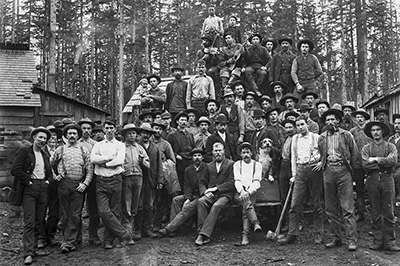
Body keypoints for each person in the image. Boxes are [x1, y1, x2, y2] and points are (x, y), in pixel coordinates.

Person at [314, 108, 358, 251]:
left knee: (347, 208)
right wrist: (323, 162)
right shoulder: (321, 137)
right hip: (328, 172)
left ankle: (352, 239)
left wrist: (350, 171)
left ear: (338, 120)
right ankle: (336, 238)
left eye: (333, 119)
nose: (330, 122)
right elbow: (322, 154)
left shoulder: (346, 135)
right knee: (331, 208)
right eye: (328, 120)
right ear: (325, 122)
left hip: (343, 172)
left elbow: (354, 154)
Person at [278, 115, 323, 245]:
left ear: (307, 124)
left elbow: (323, 152)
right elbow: (293, 158)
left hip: (314, 170)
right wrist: (293, 174)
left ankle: (318, 234)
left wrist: (321, 162)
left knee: (316, 203)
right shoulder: (295, 139)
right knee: (294, 204)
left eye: (302, 124)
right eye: (298, 125)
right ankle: (292, 234)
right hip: (300, 170)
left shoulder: (316, 137)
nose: (300, 127)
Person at [10, 127, 52, 265]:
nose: (42, 140)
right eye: (40, 137)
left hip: (42, 189)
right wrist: (28, 180)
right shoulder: (24, 152)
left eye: (45, 139)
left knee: (39, 220)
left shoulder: (45, 155)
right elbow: (15, 169)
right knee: (29, 221)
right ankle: (28, 253)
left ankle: (33, 249)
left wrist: (46, 181)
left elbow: (50, 173)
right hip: (29, 189)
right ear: (34, 137)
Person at [90, 119, 134, 249]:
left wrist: (103, 163)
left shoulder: (120, 145)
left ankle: (108, 240)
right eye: (107, 128)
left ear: (115, 129)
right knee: (103, 212)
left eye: (112, 128)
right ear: (104, 129)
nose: (109, 130)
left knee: (115, 211)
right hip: (101, 181)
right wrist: (108, 159)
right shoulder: (97, 145)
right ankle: (124, 234)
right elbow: (93, 159)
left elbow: (119, 161)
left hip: (116, 180)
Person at [50, 124, 93, 253]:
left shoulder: (83, 150)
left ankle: (68, 242)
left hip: (78, 185)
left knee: (75, 214)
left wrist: (85, 183)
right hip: (63, 185)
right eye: (70, 133)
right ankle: (73, 239)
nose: (72, 136)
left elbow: (90, 169)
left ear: (78, 135)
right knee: (65, 214)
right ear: (66, 135)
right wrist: (55, 175)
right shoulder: (60, 150)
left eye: (75, 133)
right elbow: (50, 164)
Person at [362, 121, 400, 252]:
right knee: (375, 211)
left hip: (387, 178)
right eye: (373, 130)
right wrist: (384, 162)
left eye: (378, 130)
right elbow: (365, 164)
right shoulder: (366, 148)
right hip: (372, 179)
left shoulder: (391, 146)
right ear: (370, 133)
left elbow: (393, 160)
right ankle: (377, 240)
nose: (376, 132)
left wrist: (376, 160)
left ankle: (390, 241)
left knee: (389, 211)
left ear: (383, 131)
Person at [159, 148, 207, 237]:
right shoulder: (188, 170)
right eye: (195, 156)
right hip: (192, 194)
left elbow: (205, 183)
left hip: (202, 195)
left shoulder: (207, 168)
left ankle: (168, 229)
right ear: (192, 158)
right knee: (176, 200)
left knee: (188, 208)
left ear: (203, 157)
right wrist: (187, 198)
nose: (197, 158)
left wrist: (200, 195)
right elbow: (187, 185)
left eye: (199, 156)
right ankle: (174, 229)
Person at [195, 142, 235, 246]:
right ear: (212, 152)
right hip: (211, 195)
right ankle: (202, 231)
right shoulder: (209, 166)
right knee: (201, 201)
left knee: (216, 206)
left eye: (220, 150)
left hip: (225, 195)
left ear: (224, 151)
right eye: (215, 151)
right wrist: (205, 192)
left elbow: (232, 183)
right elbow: (202, 182)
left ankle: (203, 235)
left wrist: (215, 189)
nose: (218, 153)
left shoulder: (231, 164)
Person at [120, 124, 150, 241]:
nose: (132, 135)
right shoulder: (121, 147)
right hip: (126, 177)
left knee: (136, 205)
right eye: (129, 133)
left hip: (138, 177)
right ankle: (127, 234)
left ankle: (135, 230)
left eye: (133, 133)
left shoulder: (140, 148)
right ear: (125, 135)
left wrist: (143, 161)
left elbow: (148, 165)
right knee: (126, 205)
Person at [136, 123, 164, 238]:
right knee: (139, 205)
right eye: (143, 133)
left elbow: (159, 166)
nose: (145, 135)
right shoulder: (136, 147)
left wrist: (160, 180)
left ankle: (147, 229)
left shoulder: (155, 149)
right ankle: (137, 230)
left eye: (148, 133)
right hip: (138, 181)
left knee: (149, 206)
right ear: (140, 134)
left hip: (151, 181)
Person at [151, 119, 178, 230]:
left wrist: (162, 165)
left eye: (160, 129)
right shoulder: (147, 142)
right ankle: (145, 226)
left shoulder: (166, 144)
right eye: (156, 128)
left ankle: (157, 225)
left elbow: (172, 160)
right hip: (148, 174)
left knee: (160, 200)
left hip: (160, 175)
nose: (158, 131)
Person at [233, 142, 262, 246]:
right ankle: (255, 223)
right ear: (241, 154)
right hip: (239, 192)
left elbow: (257, 181)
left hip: (252, 192)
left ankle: (245, 236)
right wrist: (242, 191)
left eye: (248, 152)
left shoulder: (257, 165)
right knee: (247, 203)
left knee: (246, 205)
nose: (246, 154)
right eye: (243, 152)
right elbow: (237, 180)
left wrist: (248, 192)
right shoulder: (237, 164)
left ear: (251, 153)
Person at [349, 109, 371, 222]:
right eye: (358, 117)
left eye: (362, 117)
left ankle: (374, 213)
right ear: (355, 119)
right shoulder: (352, 132)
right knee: (359, 188)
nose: (360, 119)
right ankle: (360, 212)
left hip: (370, 163)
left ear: (365, 118)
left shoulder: (371, 130)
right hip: (357, 164)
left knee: (372, 187)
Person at [167, 112, 195, 190]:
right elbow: (168, 150)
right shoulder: (172, 135)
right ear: (177, 122)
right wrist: (176, 156)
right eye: (181, 120)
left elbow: (193, 147)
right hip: (180, 160)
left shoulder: (190, 135)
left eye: (185, 120)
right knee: (181, 181)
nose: (183, 122)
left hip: (190, 160)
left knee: (190, 181)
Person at [278, 118, 297, 232]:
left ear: (294, 128)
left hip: (292, 166)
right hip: (283, 167)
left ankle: (296, 223)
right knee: (283, 196)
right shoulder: (285, 139)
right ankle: (285, 222)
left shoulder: (297, 139)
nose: (288, 129)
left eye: (290, 127)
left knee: (294, 197)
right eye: (286, 127)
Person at [389, 114, 400, 200]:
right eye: (395, 123)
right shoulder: (391, 139)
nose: (396, 126)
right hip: (392, 165)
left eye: (399, 123)